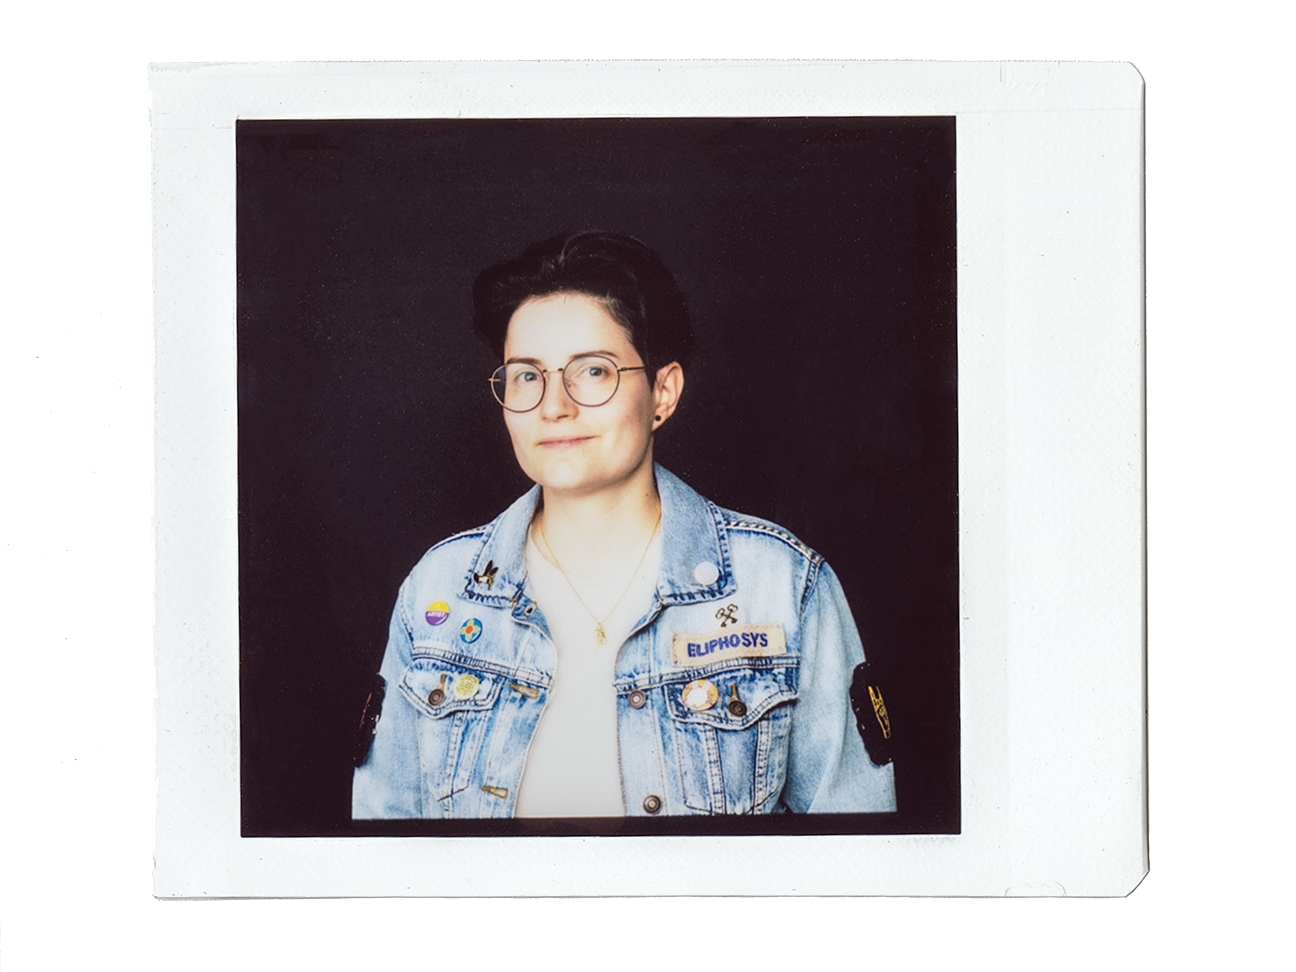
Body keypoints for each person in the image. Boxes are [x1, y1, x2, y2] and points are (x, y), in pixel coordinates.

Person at [352, 231, 896, 819]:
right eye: (527, 375)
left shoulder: (783, 586)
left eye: (593, 371)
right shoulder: (439, 591)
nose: (553, 405)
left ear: (663, 392)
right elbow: (387, 857)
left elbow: (852, 857)